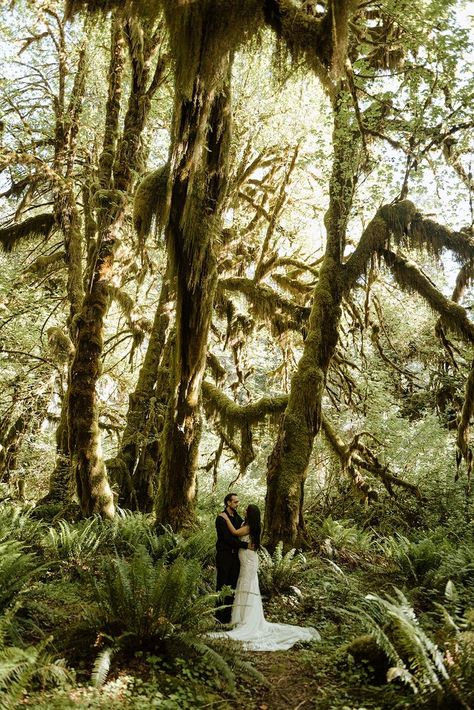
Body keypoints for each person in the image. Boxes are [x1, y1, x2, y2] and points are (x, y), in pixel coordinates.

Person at [212, 503, 320, 651]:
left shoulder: (250, 526)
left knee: (247, 585)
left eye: (246, 510)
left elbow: (236, 533)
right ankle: (239, 618)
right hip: (245, 559)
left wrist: (224, 518)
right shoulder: (250, 524)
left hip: (248, 560)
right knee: (243, 584)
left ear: (251, 514)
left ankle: (246, 619)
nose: (243, 510)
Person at [215, 492, 249, 624]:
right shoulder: (221, 518)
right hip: (224, 556)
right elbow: (228, 539)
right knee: (221, 585)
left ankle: (228, 616)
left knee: (232, 586)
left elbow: (240, 532)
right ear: (228, 503)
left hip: (235, 558)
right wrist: (246, 545)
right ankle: (218, 617)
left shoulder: (238, 517)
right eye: (235, 502)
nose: (237, 504)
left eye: (238, 502)